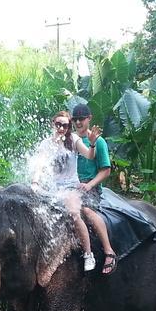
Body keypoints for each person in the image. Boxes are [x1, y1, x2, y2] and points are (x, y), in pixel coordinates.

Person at [39, 110, 107, 272]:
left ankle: (88, 254)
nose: (61, 128)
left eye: (65, 125)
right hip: (52, 188)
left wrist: (91, 144)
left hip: (70, 187)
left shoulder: (74, 140)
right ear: (53, 124)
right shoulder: (46, 144)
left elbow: (90, 156)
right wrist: (35, 182)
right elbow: (39, 166)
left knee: (74, 213)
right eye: (58, 124)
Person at [71, 103, 118, 274]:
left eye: (81, 119)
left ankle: (109, 251)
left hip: (90, 186)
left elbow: (105, 171)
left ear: (89, 119)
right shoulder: (71, 140)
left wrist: (89, 185)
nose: (78, 123)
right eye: (75, 119)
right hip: (72, 186)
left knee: (87, 211)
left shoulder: (99, 142)